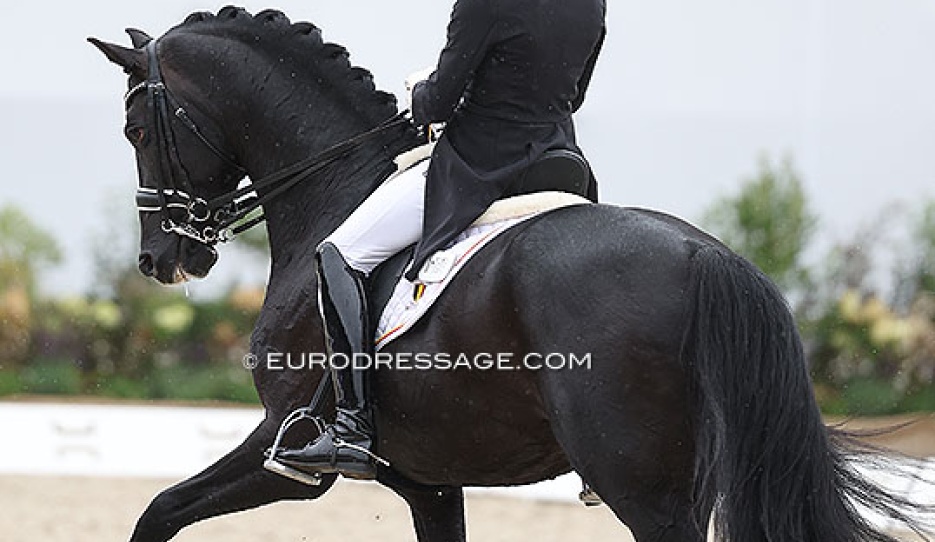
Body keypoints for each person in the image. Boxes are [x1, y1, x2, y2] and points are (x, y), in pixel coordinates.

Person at [272, 0, 607, 480]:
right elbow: (572, 95)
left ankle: (352, 428)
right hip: (557, 162)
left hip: (483, 163)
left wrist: (420, 89)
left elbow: (438, 104)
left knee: (341, 254)